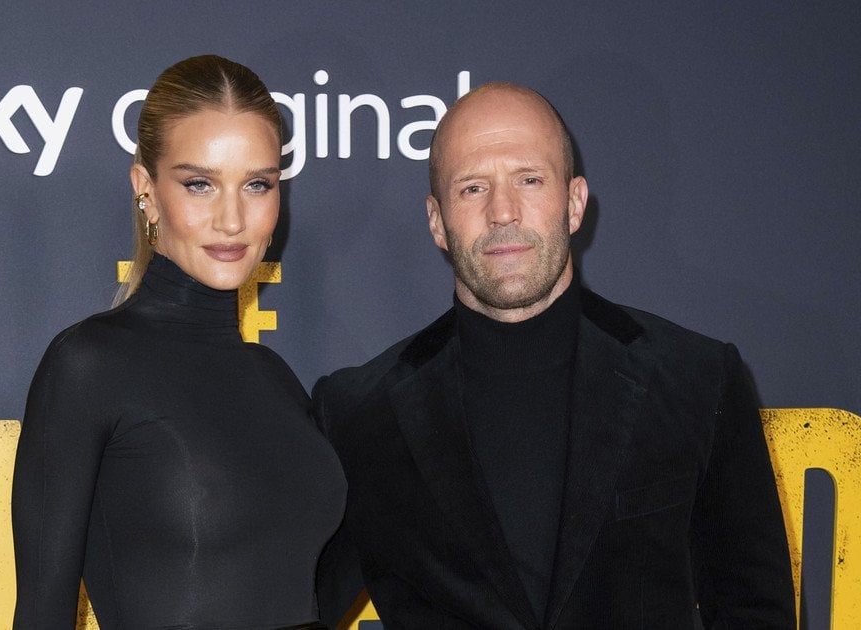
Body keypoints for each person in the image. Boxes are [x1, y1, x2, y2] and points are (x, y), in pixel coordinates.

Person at [313, 82, 796, 629]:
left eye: (529, 179)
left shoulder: (697, 380)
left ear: (574, 203)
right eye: (473, 187)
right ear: (437, 221)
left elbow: (756, 613)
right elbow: (288, 604)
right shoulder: (359, 415)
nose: (503, 211)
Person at [11, 55, 345, 629]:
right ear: (146, 189)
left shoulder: (276, 378)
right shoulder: (89, 365)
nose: (233, 220)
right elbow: (43, 613)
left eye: (257, 185)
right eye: (200, 184)